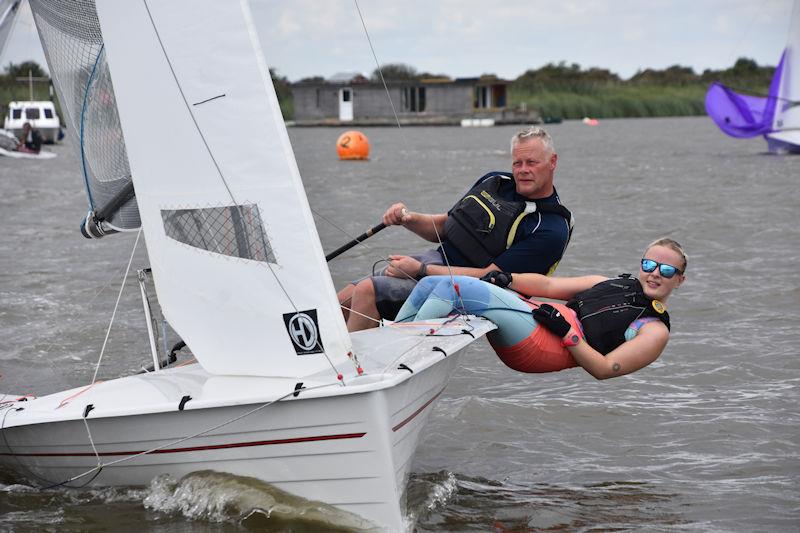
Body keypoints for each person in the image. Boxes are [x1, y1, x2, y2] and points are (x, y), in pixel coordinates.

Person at [339, 126, 574, 331]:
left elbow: (490, 278)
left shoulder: (551, 230)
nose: (523, 170)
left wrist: (421, 269)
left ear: (552, 162)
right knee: (341, 300)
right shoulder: (494, 182)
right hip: (436, 263)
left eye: (532, 162)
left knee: (367, 292)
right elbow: (446, 227)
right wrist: (407, 218)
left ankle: (349, 374)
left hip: (471, 293)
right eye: (517, 162)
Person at [394, 238, 687, 379]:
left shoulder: (654, 329)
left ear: (680, 280)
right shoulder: (608, 282)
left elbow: (604, 369)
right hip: (537, 318)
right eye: (649, 264)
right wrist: (508, 278)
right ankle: (392, 345)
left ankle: (399, 364)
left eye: (667, 269)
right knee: (430, 284)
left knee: (452, 288)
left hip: (548, 346)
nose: (655, 273)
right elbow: (548, 287)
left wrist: (567, 333)